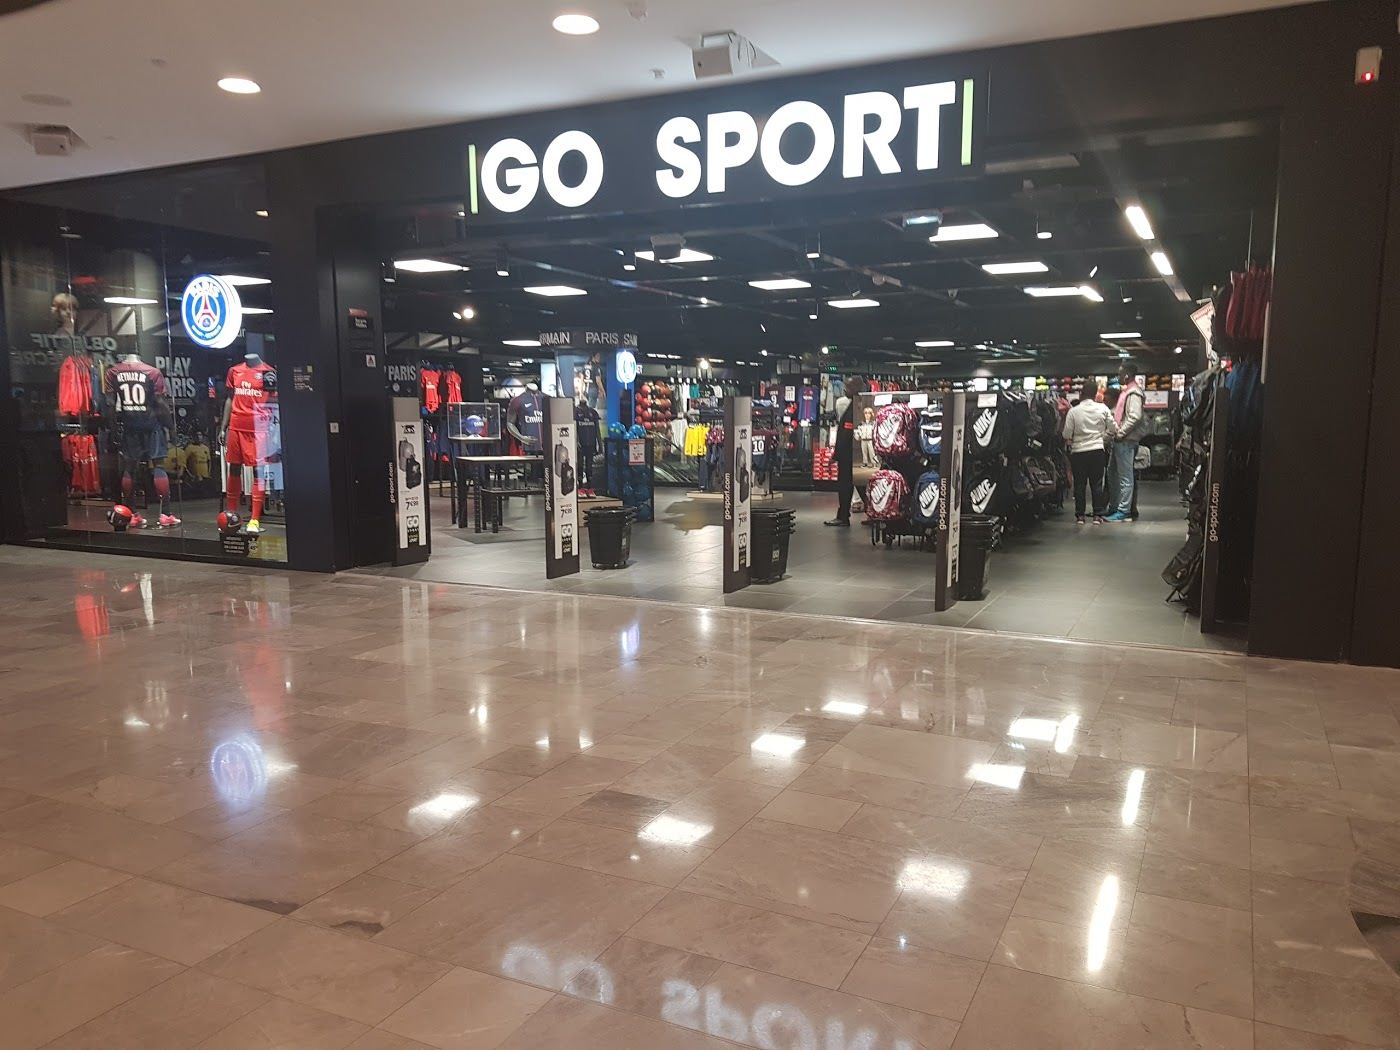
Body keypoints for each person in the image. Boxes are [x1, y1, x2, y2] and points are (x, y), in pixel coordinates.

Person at [1062, 380, 1114, 524]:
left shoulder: (1074, 411)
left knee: (1079, 484)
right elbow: (1113, 428)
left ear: (1081, 393)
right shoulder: (1102, 408)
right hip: (1097, 449)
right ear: (1095, 393)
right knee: (1097, 484)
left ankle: (1080, 516)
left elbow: (1066, 434)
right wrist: (1102, 438)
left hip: (1079, 451)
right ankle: (1097, 515)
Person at [1105, 363, 1147, 522]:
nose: (1119, 377)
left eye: (1120, 374)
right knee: (1114, 475)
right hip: (1122, 440)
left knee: (1124, 477)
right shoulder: (1128, 392)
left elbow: (1135, 416)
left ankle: (1124, 511)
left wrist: (1121, 433)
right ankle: (1116, 507)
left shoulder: (1134, 393)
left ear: (1127, 375)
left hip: (1126, 441)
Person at [825, 376, 865, 526]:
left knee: (846, 486)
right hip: (855, 454)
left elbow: (845, 435)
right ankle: (873, 514)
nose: (844, 389)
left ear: (856, 388)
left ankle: (843, 517)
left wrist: (836, 455)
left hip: (849, 455)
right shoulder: (858, 405)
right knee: (861, 486)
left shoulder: (856, 407)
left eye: (848, 387)